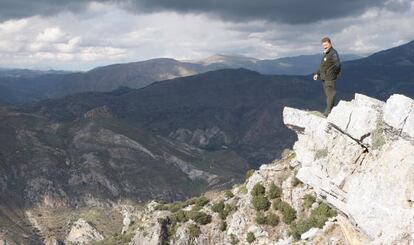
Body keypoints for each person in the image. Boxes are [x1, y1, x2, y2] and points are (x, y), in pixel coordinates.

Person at [313, 37, 341, 117]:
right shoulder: (326, 53)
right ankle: (329, 111)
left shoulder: (333, 53)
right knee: (328, 95)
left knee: (330, 94)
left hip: (329, 78)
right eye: (323, 45)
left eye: (326, 44)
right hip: (324, 77)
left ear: (330, 43)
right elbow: (322, 66)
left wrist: (334, 73)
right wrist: (317, 74)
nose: (325, 46)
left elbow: (337, 65)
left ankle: (328, 112)